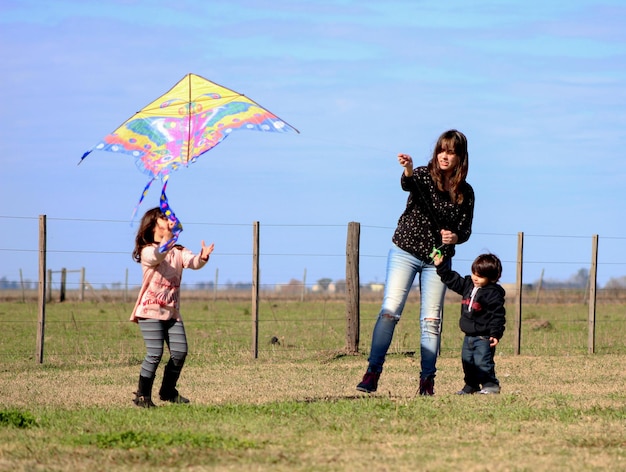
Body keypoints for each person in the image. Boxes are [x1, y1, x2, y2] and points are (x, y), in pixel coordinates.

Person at [356, 129, 474, 395]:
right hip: (405, 252)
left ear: (460, 158)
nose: (445, 156)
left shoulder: (465, 192)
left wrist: (454, 237)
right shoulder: (421, 175)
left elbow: (465, 231)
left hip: (438, 262)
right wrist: (408, 168)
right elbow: (408, 184)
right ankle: (372, 373)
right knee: (389, 312)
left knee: (431, 321)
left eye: (452, 152)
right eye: (442, 150)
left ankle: (427, 382)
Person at [130, 207, 215, 408]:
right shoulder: (148, 251)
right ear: (152, 227)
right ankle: (142, 396)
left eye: (170, 221)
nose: (169, 224)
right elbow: (158, 256)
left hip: (171, 312)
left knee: (180, 351)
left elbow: (192, 262)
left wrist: (202, 257)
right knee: (154, 353)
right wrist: (168, 238)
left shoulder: (177, 251)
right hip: (150, 311)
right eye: (163, 221)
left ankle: (167, 390)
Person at [432, 252, 506, 394]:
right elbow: (451, 279)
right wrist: (440, 266)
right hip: (468, 336)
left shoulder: (493, 294)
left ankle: (490, 385)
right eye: (473, 273)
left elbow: (498, 315)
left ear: (492, 278)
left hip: (484, 337)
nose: (475, 278)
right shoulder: (468, 285)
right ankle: (471, 386)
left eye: (480, 276)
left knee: (483, 362)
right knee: (467, 362)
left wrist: (495, 334)